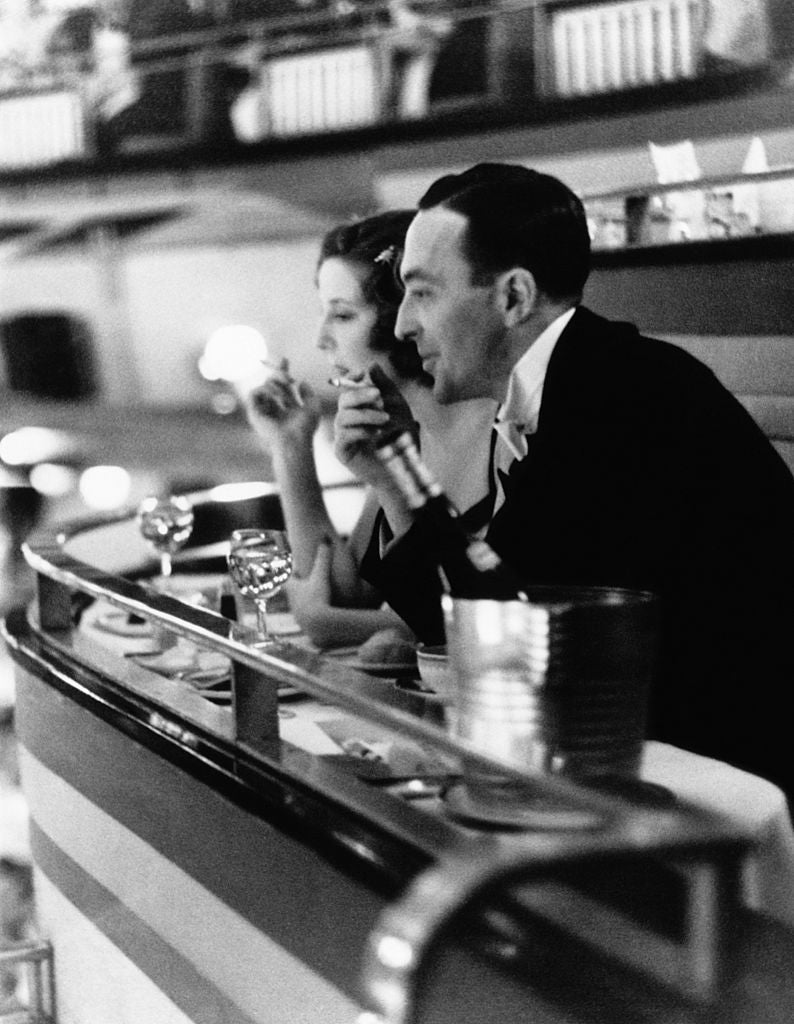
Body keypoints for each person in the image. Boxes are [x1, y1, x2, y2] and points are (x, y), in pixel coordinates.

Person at [333, 162, 794, 802]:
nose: (405, 325)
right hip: (621, 750)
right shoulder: (548, 393)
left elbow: (519, 642)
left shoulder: (627, 396)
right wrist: (393, 476)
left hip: (719, 775)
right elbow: (478, 620)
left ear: (514, 298)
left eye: (424, 292)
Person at [244, 209, 496, 649]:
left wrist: (323, 621)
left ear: (404, 318)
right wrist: (290, 446)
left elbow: (485, 617)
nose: (321, 338)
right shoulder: (393, 428)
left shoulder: (504, 431)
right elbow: (351, 589)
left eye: (341, 316)